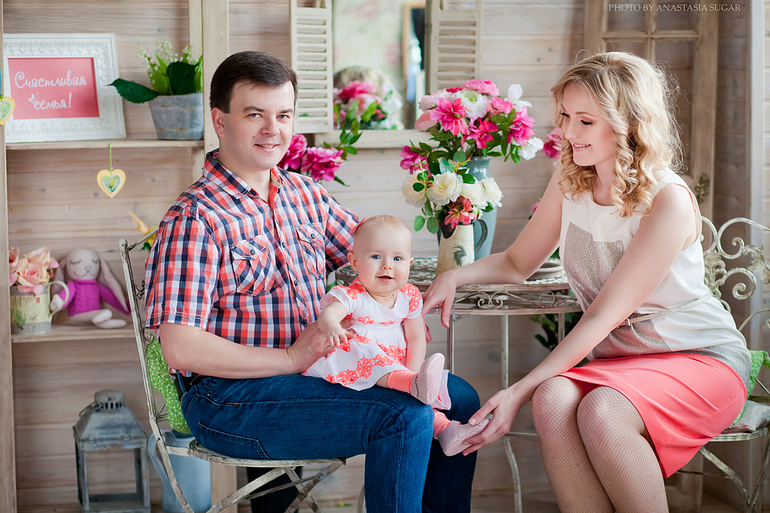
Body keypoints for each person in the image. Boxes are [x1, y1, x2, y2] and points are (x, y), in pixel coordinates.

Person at [144, 50, 481, 513]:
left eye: (283, 115)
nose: (272, 129)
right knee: (403, 416)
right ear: (220, 121)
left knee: (459, 399)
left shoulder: (304, 195)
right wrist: (290, 357)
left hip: (316, 374)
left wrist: (442, 279)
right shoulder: (195, 218)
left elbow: (376, 256)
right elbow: (181, 347)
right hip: (228, 398)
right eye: (255, 115)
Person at [422, 51, 751, 513]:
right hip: (623, 364)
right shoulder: (571, 180)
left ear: (628, 124)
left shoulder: (668, 201)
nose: (568, 132)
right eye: (565, 116)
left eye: (586, 121)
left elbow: (601, 317)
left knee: (601, 410)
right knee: (552, 398)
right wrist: (454, 275)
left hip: (698, 357)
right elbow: (517, 262)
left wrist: (515, 393)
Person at [304, 215, 489, 456]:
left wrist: (412, 372)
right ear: (355, 262)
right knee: (363, 349)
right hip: (358, 365)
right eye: (376, 256)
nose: (387, 265)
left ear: (409, 264)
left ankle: (447, 430)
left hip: (398, 369)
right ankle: (413, 385)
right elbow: (329, 314)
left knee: (421, 401)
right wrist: (332, 327)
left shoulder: (408, 296)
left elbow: (415, 337)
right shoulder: (353, 295)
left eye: (397, 258)